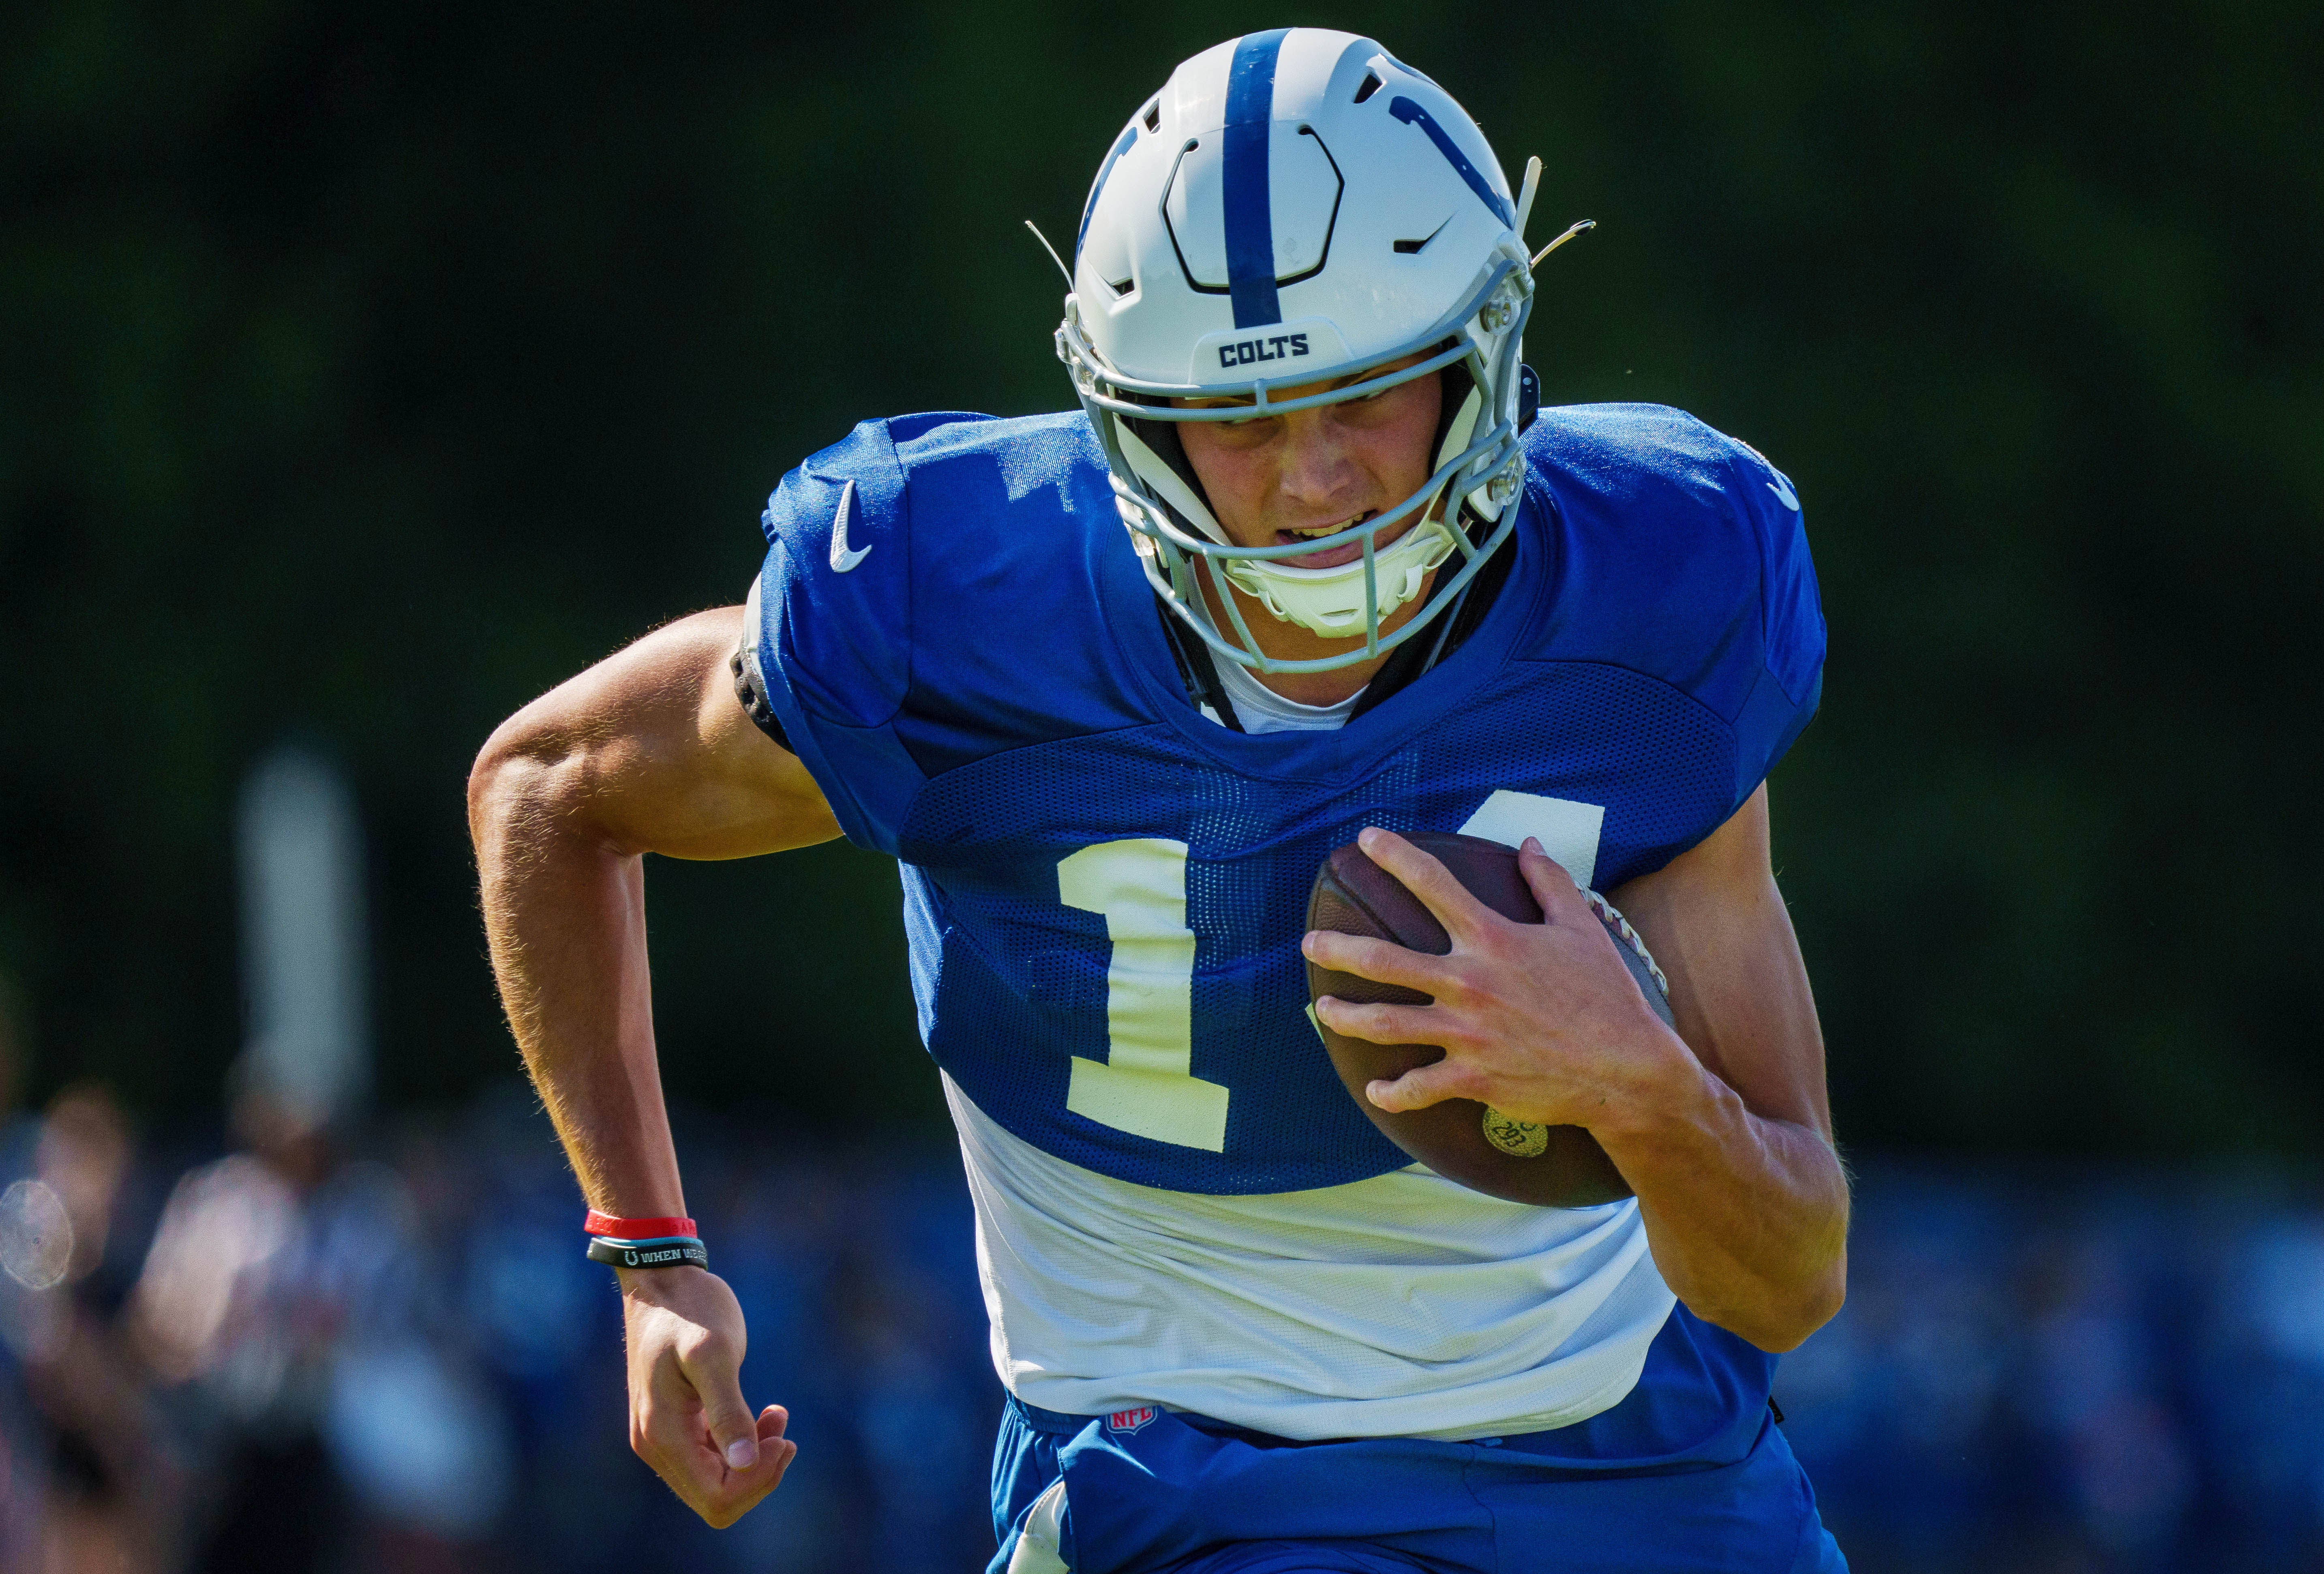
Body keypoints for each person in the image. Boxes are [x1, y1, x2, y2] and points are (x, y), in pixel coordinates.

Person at [469, 28, 1850, 1574]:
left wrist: (1638, 1082)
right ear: (1130, 417)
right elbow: (547, 787)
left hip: (1633, 1448)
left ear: (1483, 354)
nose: (1312, 480)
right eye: (1244, 419)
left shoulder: (1654, 595)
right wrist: (649, 1256)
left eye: (1370, 397)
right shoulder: (951, 607)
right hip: (1184, 1470)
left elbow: (1792, 1273)